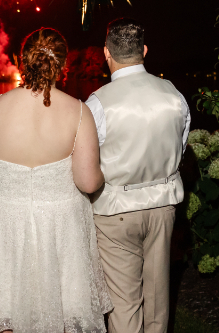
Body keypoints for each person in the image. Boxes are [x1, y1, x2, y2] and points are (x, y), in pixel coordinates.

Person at [0, 28, 114, 333]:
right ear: (63, 66)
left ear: (23, 62)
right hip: (61, 230)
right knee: (60, 314)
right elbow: (89, 183)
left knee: (6, 312)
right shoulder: (79, 112)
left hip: (5, 225)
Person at [85, 18, 191, 333]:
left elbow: (88, 164)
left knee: (124, 303)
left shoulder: (97, 102)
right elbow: (180, 148)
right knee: (159, 297)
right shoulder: (174, 94)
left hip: (116, 211)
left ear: (106, 53)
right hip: (162, 207)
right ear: (144, 50)